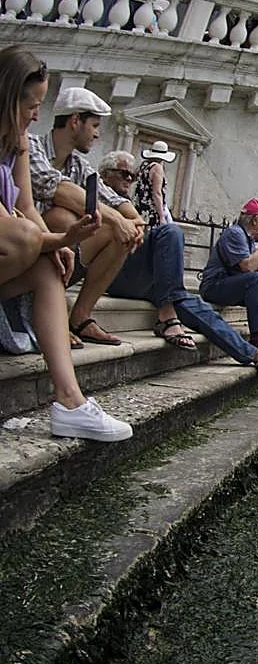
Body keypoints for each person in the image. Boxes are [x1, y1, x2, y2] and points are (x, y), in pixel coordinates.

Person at [0, 46, 130, 441]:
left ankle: (70, 400)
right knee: (30, 238)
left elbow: (25, 205)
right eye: (32, 106)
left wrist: (60, 244)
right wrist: (50, 237)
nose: (37, 115)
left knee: (47, 263)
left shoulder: (18, 142)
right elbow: (18, 219)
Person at [98, 152, 258, 371]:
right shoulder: (95, 193)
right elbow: (247, 267)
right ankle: (168, 317)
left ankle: (255, 354)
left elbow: (137, 224)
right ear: (105, 175)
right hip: (111, 273)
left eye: (133, 175)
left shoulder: (124, 202)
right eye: (124, 174)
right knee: (170, 232)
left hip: (142, 275)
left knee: (195, 305)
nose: (130, 179)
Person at [28, 87, 144, 346]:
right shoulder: (31, 145)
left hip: (62, 252)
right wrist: (116, 219)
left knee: (121, 233)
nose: (97, 133)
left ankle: (80, 317)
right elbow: (54, 187)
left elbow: (115, 200)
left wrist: (133, 220)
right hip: (27, 250)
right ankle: (50, 319)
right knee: (62, 217)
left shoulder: (79, 165)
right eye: (93, 125)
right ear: (75, 121)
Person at [199, 198, 258, 352]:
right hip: (214, 285)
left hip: (233, 284)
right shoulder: (235, 233)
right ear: (255, 220)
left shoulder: (247, 238)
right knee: (254, 279)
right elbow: (248, 267)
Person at [132, 139, 175, 227]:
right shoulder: (157, 168)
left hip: (140, 206)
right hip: (151, 209)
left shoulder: (144, 165)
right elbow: (157, 193)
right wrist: (161, 216)